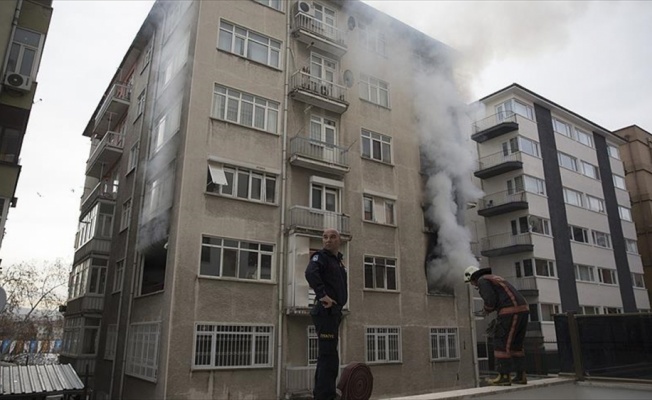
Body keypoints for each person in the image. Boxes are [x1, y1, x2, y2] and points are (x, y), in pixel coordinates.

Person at [464, 266, 529, 386]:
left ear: (473, 277)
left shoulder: (482, 280)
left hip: (510, 311)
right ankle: (521, 376)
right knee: (515, 345)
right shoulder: (493, 278)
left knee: (501, 341)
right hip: (522, 310)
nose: (473, 285)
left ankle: (504, 377)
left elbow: (490, 300)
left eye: (471, 282)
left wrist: (485, 310)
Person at [305, 228, 348, 400]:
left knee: (329, 355)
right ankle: (324, 396)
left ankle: (325, 393)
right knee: (328, 356)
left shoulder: (338, 261)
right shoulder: (320, 257)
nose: (328, 240)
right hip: (325, 311)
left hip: (334, 312)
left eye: (332, 237)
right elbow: (310, 273)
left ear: (339, 240)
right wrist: (322, 295)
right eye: (324, 237)